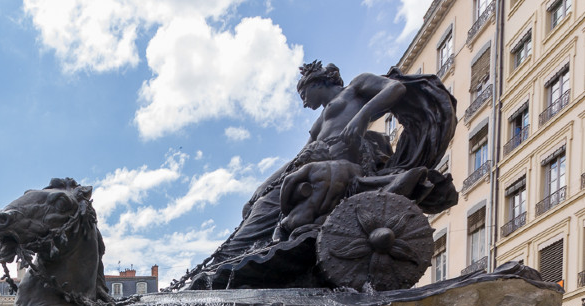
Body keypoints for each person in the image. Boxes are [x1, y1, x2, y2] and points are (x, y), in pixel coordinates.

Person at [183, 60, 455, 289]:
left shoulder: (356, 88)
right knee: (263, 206)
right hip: (310, 168)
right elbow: (298, 156)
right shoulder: (317, 124)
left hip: (344, 169)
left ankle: (230, 267)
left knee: (301, 191)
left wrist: (362, 116)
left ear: (316, 82)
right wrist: (261, 188)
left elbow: (395, 88)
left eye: (303, 95)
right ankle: (225, 264)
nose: (304, 103)